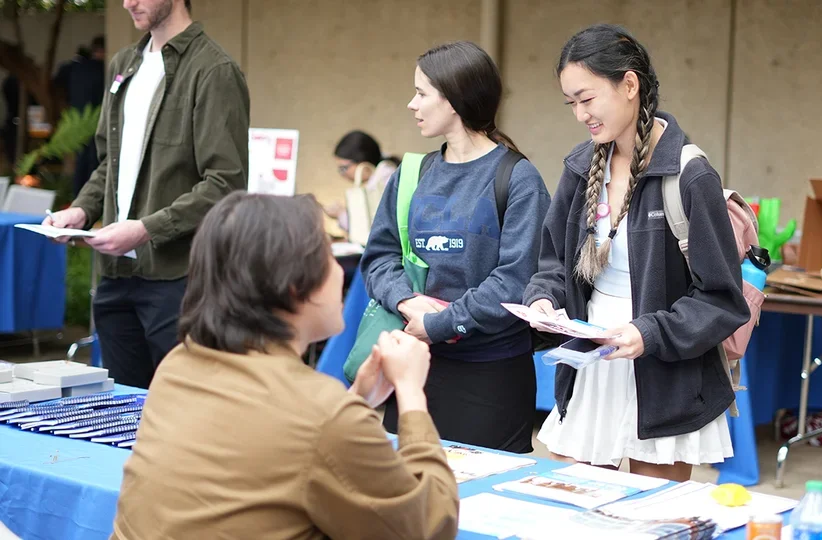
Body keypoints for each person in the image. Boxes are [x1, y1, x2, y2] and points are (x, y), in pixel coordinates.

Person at [110, 193, 458, 540]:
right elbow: (427, 527)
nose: (340, 271)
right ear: (294, 286)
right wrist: (411, 393)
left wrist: (358, 398)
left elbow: (271, 450)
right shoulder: (322, 412)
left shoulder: (179, 364)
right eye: (328, 257)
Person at [523, 24, 750, 482]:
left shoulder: (689, 174)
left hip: (665, 373)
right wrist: (543, 297)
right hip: (594, 361)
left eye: (587, 99)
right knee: (576, 508)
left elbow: (722, 298)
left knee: (651, 519)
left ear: (630, 85)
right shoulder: (580, 166)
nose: (580, 114)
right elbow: (552, 262)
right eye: (571, 103)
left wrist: (649, 333)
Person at [44, 0, 250, 389]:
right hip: (116, 276)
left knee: (186, 409)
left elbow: (226, 183)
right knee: (123, 411)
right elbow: (110, 163)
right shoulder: (124, 63)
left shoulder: (214, 70)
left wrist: (145, 230)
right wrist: (82, 211)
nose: (127, 3)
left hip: (178, 278)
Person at [360, 41, 551, 453]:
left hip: (491, 375)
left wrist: (440, 325)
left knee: (490, 502)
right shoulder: (411, 173)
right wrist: (408, 303)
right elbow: (379, 258)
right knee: (408, 489)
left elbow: (516, 280)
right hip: (415, 366)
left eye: (422, 93)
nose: (412, 104)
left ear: (455, 98)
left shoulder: (518, 178)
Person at [326, 130, 399, 234]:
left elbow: (369, 230)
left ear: (363, 163)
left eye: (344, 168)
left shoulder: (384, 181)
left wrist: (342, 215)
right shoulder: (380, 176)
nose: (342, 174)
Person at [69, 36, 107, 196]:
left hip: (78, 119)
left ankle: (78, 198)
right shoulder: (100, 69)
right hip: (95, 120)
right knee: (94, 162)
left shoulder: (76, 68)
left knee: (82, 161)